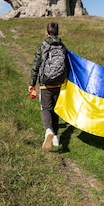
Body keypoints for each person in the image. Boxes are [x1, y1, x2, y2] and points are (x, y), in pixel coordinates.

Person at [29, 22, 69, 152]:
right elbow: (67, 66)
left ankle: (48, 130)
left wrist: (32, 84)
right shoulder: (62, 47)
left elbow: (36, 66)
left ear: (47, 32)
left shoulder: (43, 45)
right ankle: (56, 137)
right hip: (59, 83)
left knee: (46, 108)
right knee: (55, 110)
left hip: (45, 84)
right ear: (57, 32)